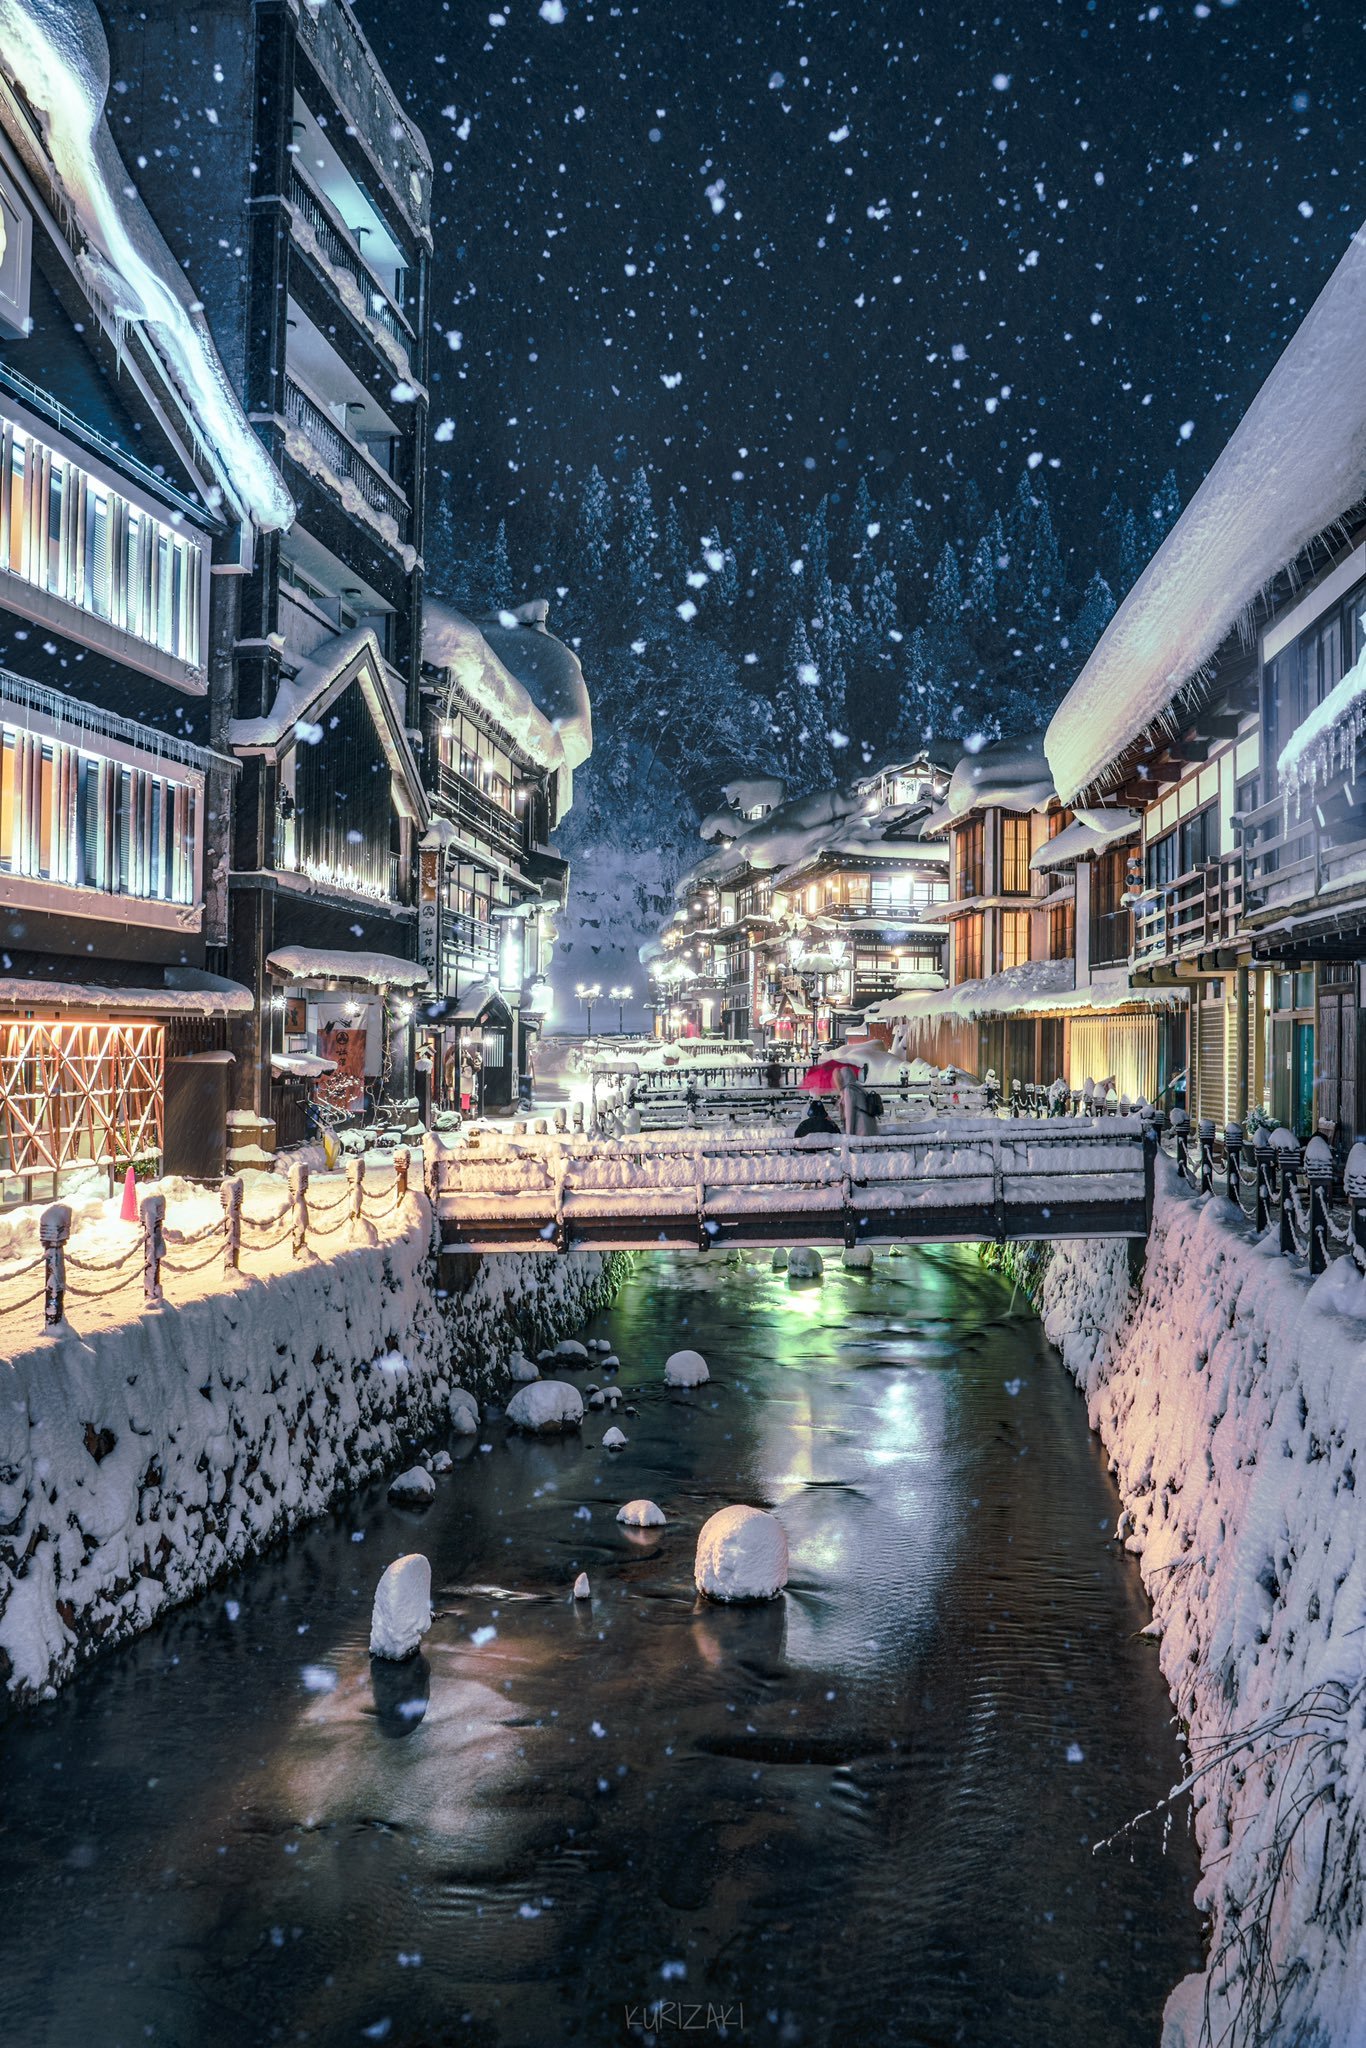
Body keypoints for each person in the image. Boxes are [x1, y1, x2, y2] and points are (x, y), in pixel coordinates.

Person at [840, 1063, 881, 1137]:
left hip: (862, 1129)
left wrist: (849, 1135)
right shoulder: (860, 1088)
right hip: (872, 1127)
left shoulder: (849, 1090)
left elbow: (849, 1114)